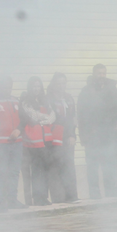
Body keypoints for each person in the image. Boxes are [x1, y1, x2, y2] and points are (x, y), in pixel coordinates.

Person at [78, 63, 117, 198]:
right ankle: (95, 194)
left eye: (103, 73)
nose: (101, 76)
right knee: (92, 167)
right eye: (99, 73)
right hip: (92, 136)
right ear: (93, 74)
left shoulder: (112, 90)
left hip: (109, 136)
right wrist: (83, 136)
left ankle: (110, 193)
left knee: (108, 166)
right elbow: (81, 115)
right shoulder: (85, 91)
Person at [0, 74, 24, 211]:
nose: (7, 89)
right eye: (4, 86)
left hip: (17, 142)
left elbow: (23, 119)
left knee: (14, 172)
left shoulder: (15, 100)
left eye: (9, 87)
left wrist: (19, 130)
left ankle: (12, 200)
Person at [20, 76, 57, 206]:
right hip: (34, 141)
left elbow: (53, 115)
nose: (36, 89)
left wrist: (45, 120)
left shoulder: (44, 100)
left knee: (45, 168)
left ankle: (43, 196)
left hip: (46, 138)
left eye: (38, 86)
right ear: (30, 87)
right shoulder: (25, 101)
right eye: (34, 86)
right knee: (36, 169)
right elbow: (33, 115)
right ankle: (37, 197)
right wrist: (45, 119)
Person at [47, 73, 78, 203]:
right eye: (59, 83)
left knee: (69, 167)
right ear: (54, 84)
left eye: (63, 83)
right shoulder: (49, 99)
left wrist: (72, 135)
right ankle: (58, 198)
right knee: (55, 168)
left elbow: (73, 118)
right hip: (55, 138)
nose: (61, 86)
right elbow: (54, 119)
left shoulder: (69, 98)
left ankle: (72, 196)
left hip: (68, 138)